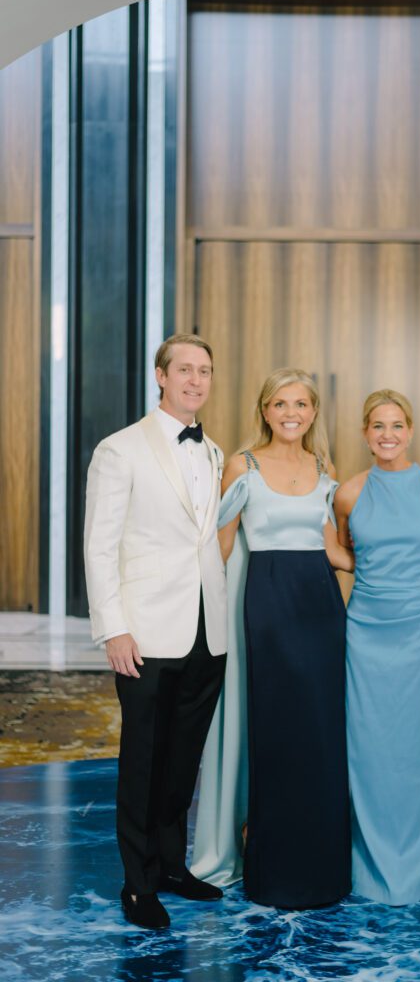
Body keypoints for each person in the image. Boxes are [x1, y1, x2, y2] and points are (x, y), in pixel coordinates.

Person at [193, 368, 354, 910]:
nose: (292, 412)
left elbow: (331, 547)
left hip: (321, 607)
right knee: (276, 733)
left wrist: (396, 564)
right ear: (264, 409)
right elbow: (218, 545)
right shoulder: (244, 465)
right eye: (281, 403)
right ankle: (275, 872)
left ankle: (324, 871)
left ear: (313, 412)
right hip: (266, 605)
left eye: (302, 404)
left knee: (322, 733)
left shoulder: (325, 466)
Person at [83, 333, 229, 930]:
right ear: (160, 376)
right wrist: (114, 629)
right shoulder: (120, 449)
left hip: (206, 629)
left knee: (182, 759)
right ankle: (138, 884)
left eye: (206, 371)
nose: (196, 380)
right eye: (185, 370)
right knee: (142, 759)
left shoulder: (214, 451)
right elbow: (99, 546)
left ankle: (171, 864)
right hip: (143, 631)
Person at [334, 389, 420, 906]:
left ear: (410, 431)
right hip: (365, 635)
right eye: (377, 426)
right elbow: (344, 555)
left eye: (396, 425)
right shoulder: (347, 493)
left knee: (415, 755)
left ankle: (414, 867)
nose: (387, 435)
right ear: (365, 434)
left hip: (418, 636)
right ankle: (366, 866)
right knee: (366, 753)